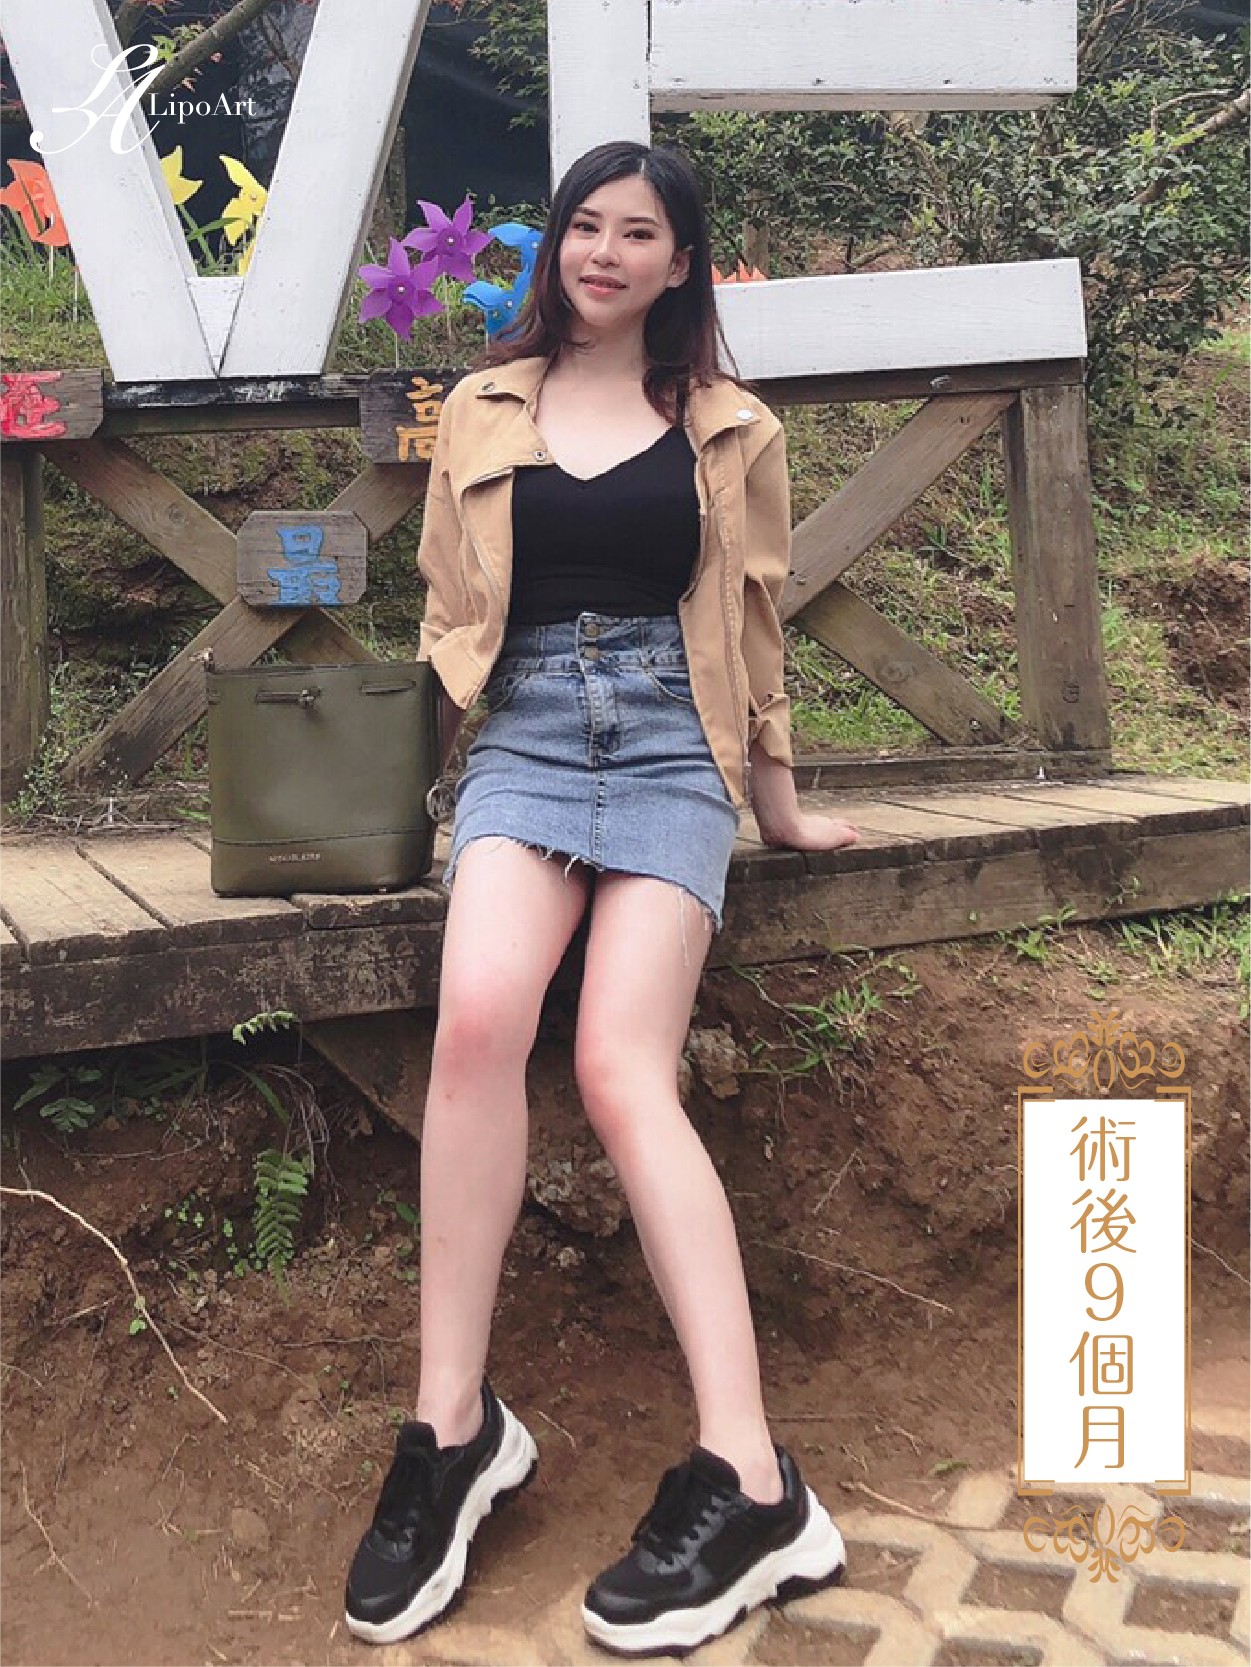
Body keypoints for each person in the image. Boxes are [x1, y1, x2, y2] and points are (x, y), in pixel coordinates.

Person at [344, 138, 860, 1656]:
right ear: (554, 244)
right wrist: (415, 792)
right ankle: (452, 1429)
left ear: (680, 262)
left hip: (670, 743)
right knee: (476, 1023)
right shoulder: (482, 407)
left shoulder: (731, 426)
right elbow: (449, 606)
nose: (606, 251)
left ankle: (751, 1476)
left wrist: (779, 802)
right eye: (585, 225)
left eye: (640, 232)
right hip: (519, 739)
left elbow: (754, 624)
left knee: (623, 1068)